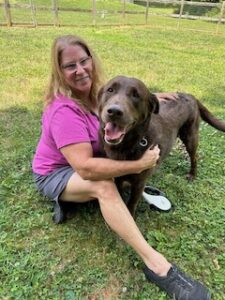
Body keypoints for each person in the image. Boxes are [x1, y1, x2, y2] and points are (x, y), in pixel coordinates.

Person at [32, 35, 210, 300]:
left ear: (92, 61)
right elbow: (86, 169)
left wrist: (149, 97)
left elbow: (122, 98)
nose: (80, 70)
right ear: (59, 71)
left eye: (84, 61)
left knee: (111, 178)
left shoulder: (96, 93)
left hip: (83, 165)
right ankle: (157, 264)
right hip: (57, 173)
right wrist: (139, 164)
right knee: (103, 184)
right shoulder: (63, 111)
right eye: (70, 66)